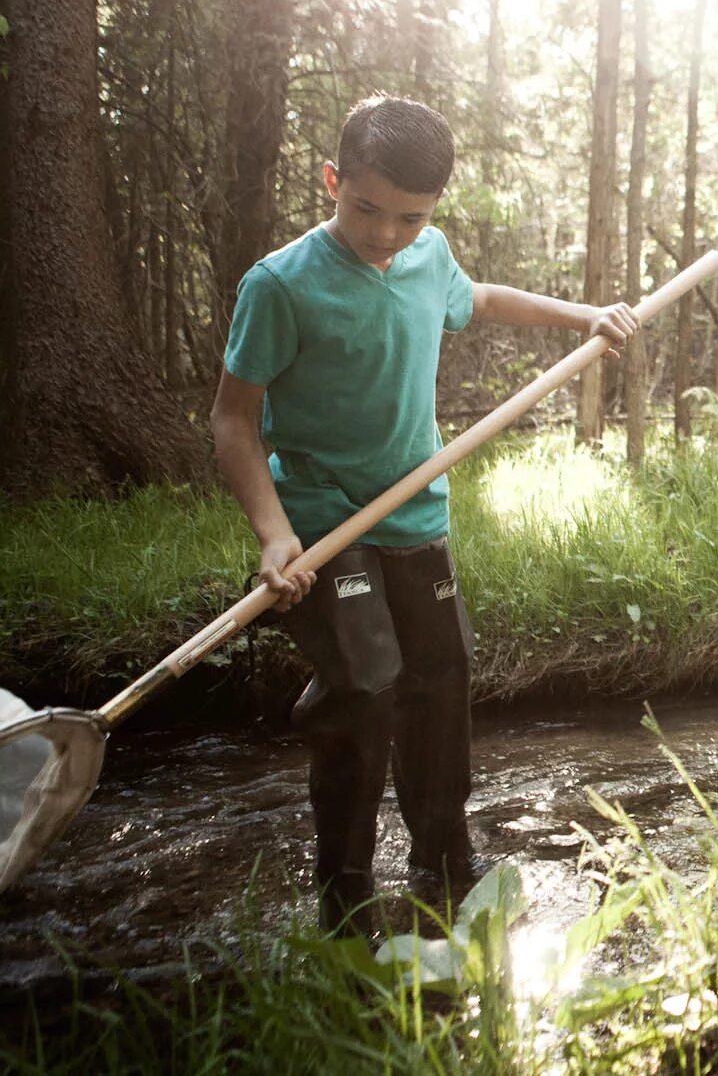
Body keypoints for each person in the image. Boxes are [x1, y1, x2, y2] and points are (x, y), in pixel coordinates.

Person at [210, 95, 640, 936]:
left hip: (416, 510)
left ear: (432, 210)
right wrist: (274, 533)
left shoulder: (427, 253)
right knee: (365, 685)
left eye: (409, 217)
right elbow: (232, 418)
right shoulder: (280, 284)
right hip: (325, 520)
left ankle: (442, 857)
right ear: (333, 180)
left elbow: (475, 298)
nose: (385, 234)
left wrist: (583, 316)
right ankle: (344, 892)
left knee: (441, 678)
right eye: (365, 208)